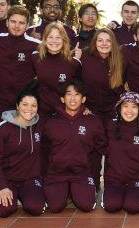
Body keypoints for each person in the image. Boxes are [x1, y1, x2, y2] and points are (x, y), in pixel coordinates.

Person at [42, 80, 106, 212]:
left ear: (83, 99)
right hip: (57, 174)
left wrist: (94, 177)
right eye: (68, 94)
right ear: (62, 98)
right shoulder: (51, 123)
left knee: (86, 206)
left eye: (77, 94)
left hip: (81, 174)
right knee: (55, 207)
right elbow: (44, 150)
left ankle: (75, 191)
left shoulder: (93, 122)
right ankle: (64, 191)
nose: (72, 98)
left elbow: (101, 149)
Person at [0, 90, 46, 218]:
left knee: (35, 208)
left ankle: (24, 196)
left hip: (30, 180)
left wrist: (86, 112)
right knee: (5, 211)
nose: (29, 109)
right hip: (7, 181)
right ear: (17, 106)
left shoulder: (40, 127)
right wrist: (2, 186)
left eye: (33, 105)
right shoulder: (3, 128)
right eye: (25, 104)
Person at [103, 92, 139, 213]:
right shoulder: (109, 125)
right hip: (114, 178)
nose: (129, 110)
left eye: (134, 106)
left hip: (137, 179)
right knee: (111, 206)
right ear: (119, 108)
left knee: (133, 207)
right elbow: (102, 147)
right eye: (125, 106)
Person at [0, 5, 40, 115]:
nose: (16, 26)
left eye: (21, 23)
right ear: (7, 23)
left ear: (27, 26)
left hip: (23, 103)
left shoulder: (36, 46)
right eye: (13, 21)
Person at [31, 22, 81, 119]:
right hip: (40, 113)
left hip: (64, 114)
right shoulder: (35, 58)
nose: (54, 41)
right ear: (45, 39)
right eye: (50, 37)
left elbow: (79, 89)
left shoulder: (73, 63)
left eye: (58, 37)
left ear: (64, 40)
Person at [77, 28, 124, 119]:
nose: (104, 44)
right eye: (100, 40)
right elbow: (75, 82)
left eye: (108, 41)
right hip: (89, 110)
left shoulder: (120, 59)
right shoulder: (84, 56)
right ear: (95, 42)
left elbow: (123, 87)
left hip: (113, 111)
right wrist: (82, 106)